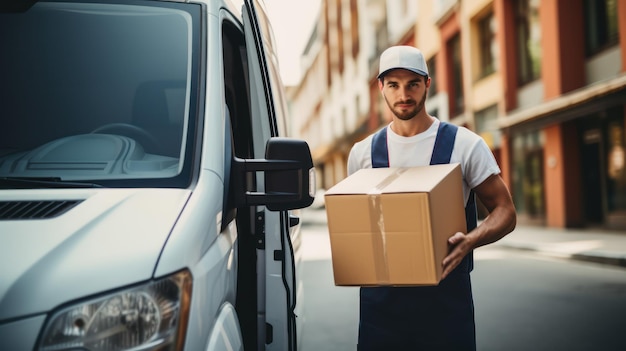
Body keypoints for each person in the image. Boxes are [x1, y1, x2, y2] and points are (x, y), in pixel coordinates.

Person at [347, 45, 517, 350]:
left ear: (428, 83)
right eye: (393, 85)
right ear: (380, 88)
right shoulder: (362, 154)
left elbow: (505, 211)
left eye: (412, 83)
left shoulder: (465, 145)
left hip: (446, 308)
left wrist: (471, 240)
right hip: (380, 311)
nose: (403, 95)